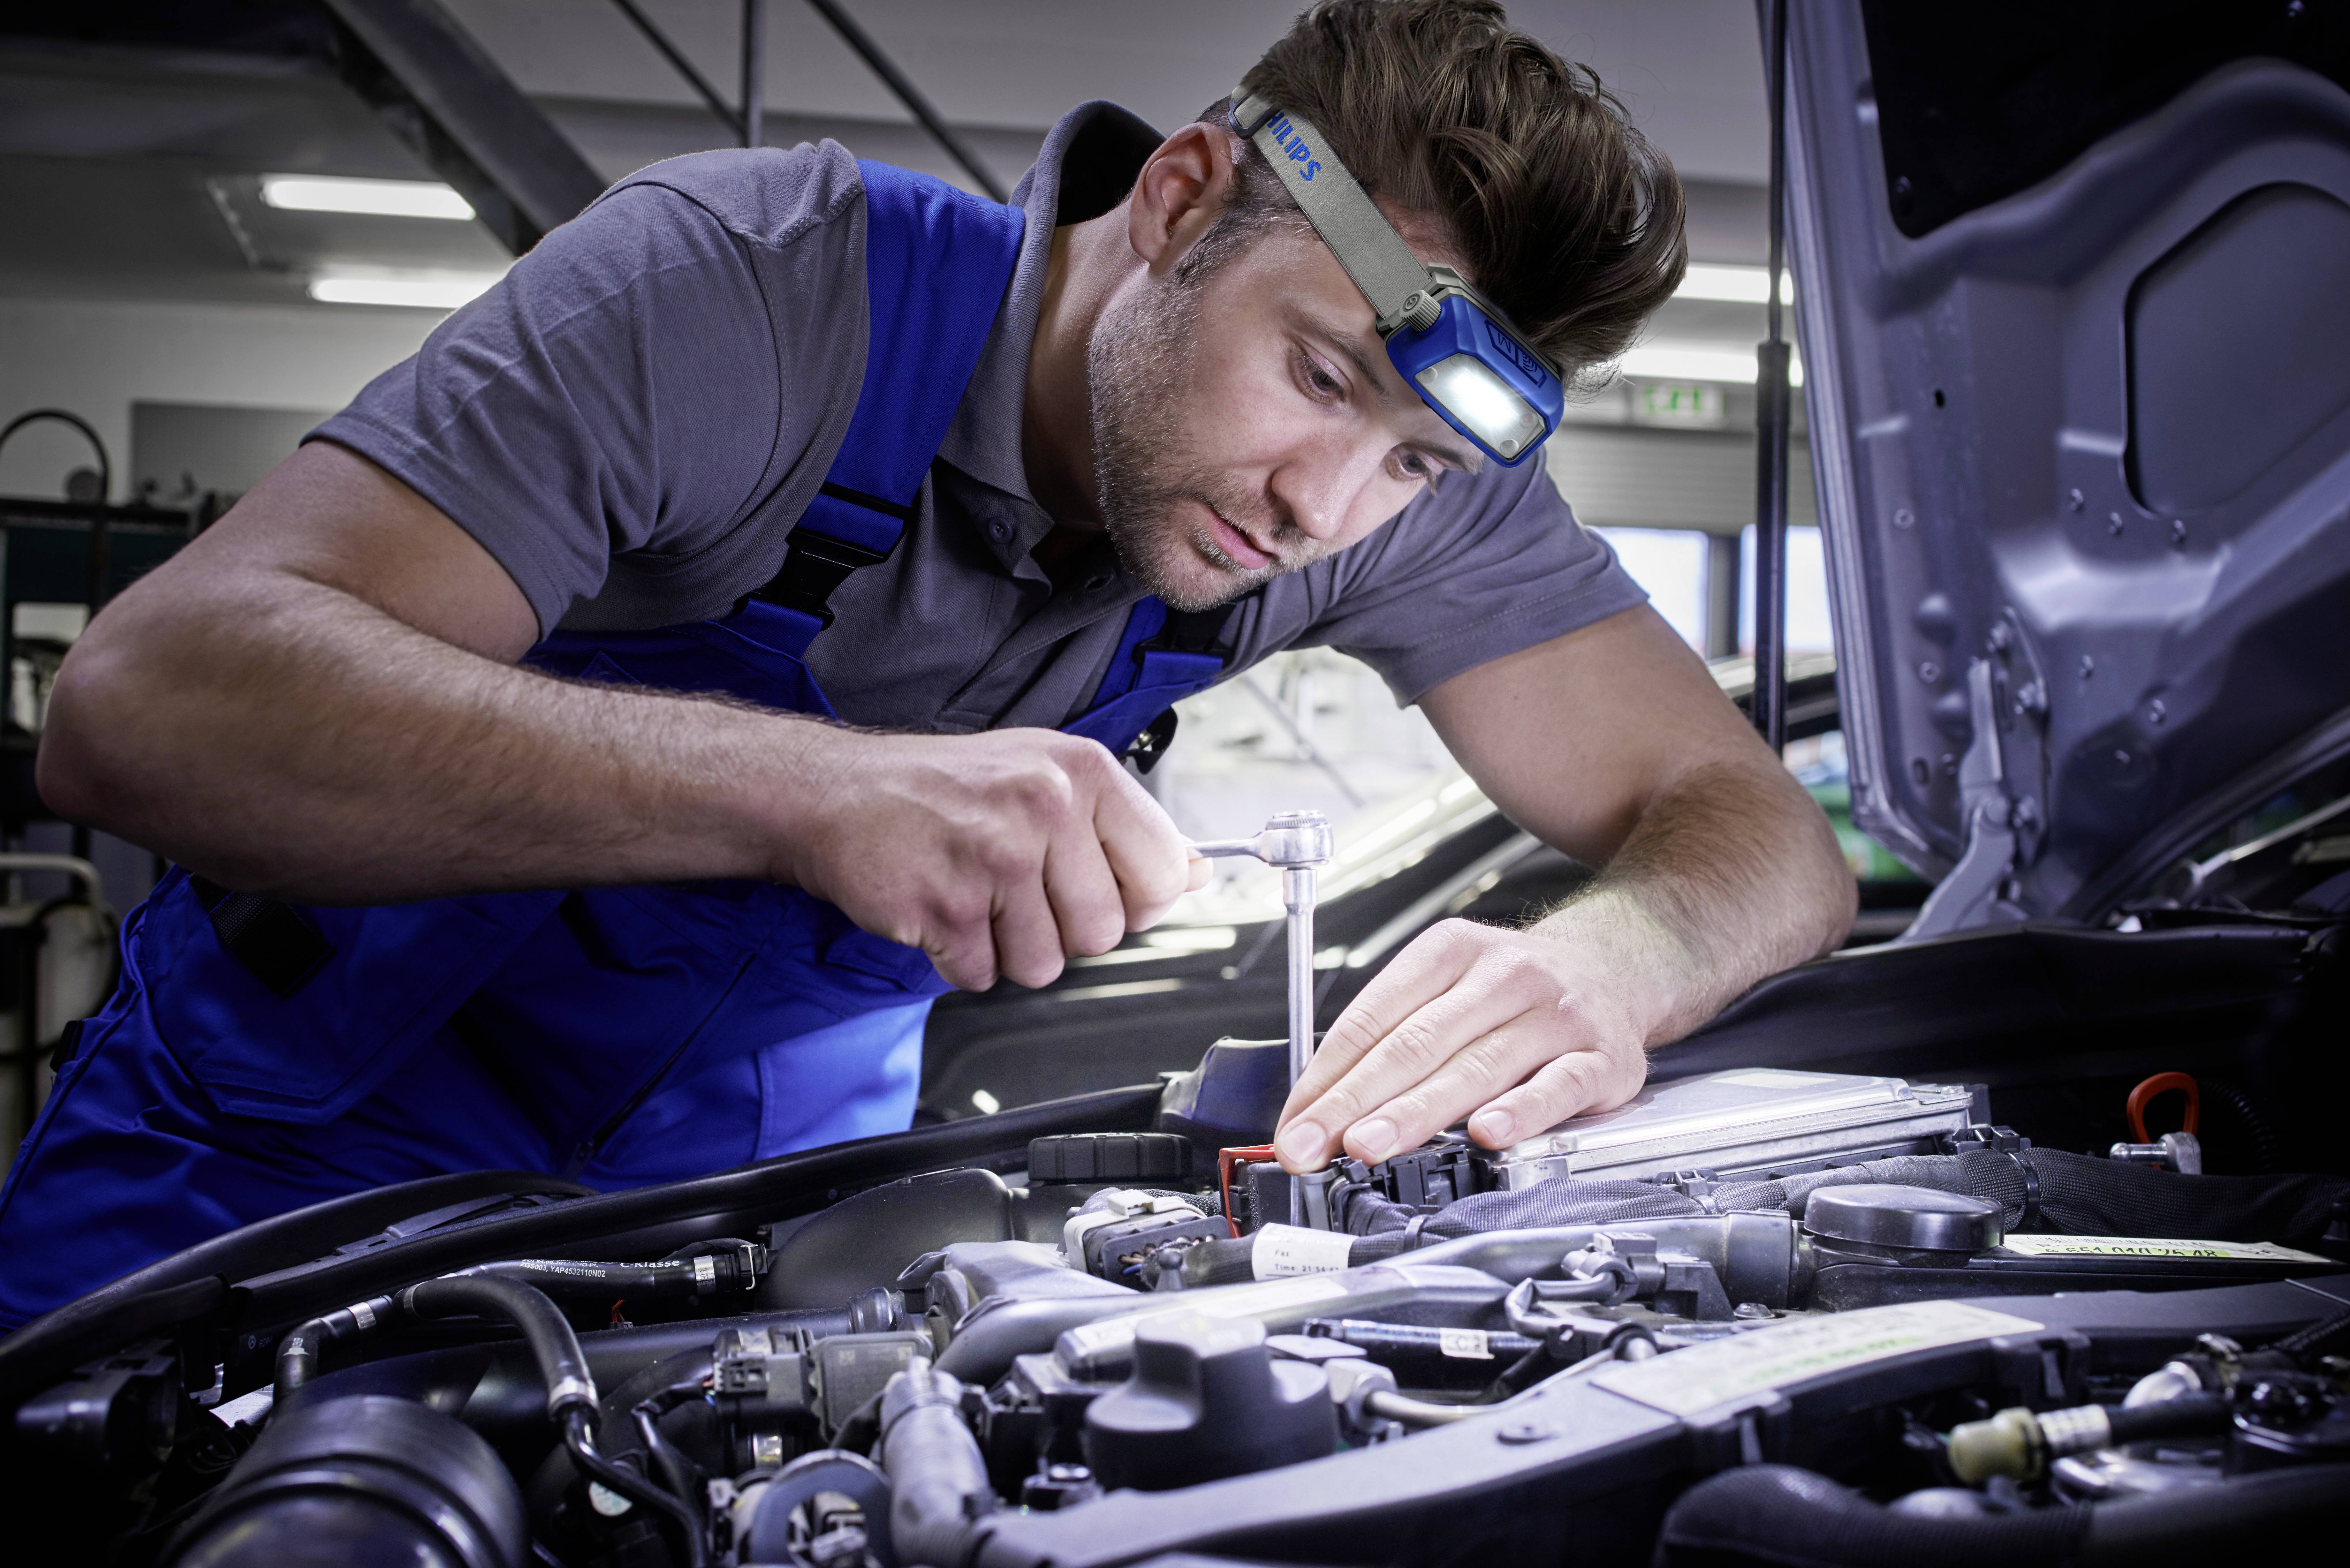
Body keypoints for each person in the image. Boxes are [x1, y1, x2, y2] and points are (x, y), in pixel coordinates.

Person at [0, 0, 1852, 1330]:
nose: (1326, 508)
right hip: (266, 1166)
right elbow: (147, 711)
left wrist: (1604, 966)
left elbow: (1765, 838)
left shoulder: (1382, 483)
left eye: (1419, 466)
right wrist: (807, 790)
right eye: (1316, 376)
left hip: (735, 1238)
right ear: (1181, 200)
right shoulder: (749, 289)